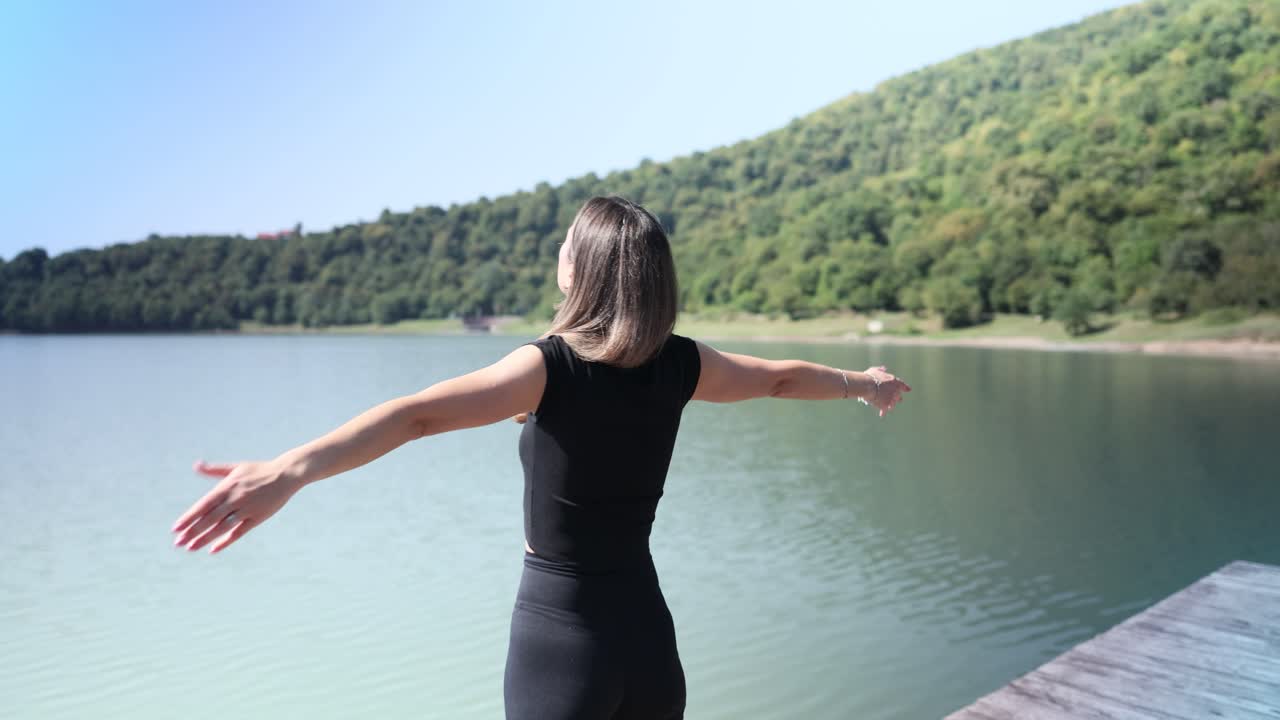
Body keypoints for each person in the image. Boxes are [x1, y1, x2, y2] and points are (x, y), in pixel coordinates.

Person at [170, 195, 911, 719]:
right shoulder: (680, 364)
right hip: (649, 639)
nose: (558, 252)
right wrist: (862, 382)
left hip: (563, 643)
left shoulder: (548, 367)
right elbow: (780, 378)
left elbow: (417, 415)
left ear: (582, 269)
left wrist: (291, 469)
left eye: (566, 243)